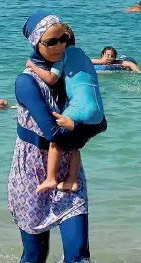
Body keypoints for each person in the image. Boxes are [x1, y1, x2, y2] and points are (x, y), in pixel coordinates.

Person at [8, 11, 105, 263]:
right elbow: (52, 132)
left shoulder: (71, 74)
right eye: (51, 42)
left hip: (69, 169)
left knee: (78, 255)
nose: (59, 46)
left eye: (63, 39)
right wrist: (81, 133)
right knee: (35, 257)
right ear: (35, 44)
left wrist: (80, 131)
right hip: (32, 172)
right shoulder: (26, 82)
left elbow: (101, 121)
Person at [25, 24, 106, 193]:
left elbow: (51, 78)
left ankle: (51, 178)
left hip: (80, 107)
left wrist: (32, 66)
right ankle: (72, 180)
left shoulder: (63, 56)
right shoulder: (83, 55)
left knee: (57, 139)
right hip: (98, 111)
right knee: (74, 144)